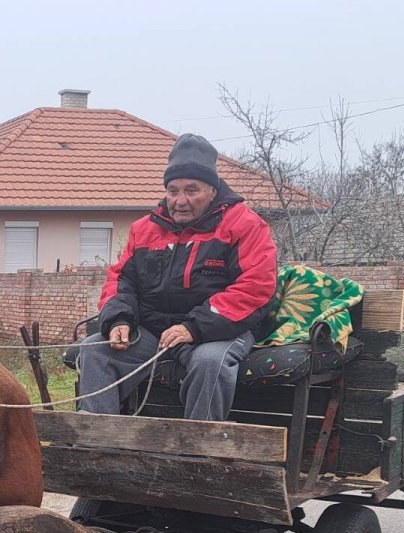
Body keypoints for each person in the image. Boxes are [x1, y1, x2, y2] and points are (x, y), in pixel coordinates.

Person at [78, 134, 278, 420]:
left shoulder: (246, 225)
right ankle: (98, 445)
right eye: (173, 191)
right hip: (154, 330)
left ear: (212, 189)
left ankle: (197, 455)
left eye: (191, 190)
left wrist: (193, 328)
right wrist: (119, 319)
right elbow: (121, 281)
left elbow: (256, 287)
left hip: (216, 332)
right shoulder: (144, 229)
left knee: (210, 362)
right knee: (95, 352)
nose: (180, 201)